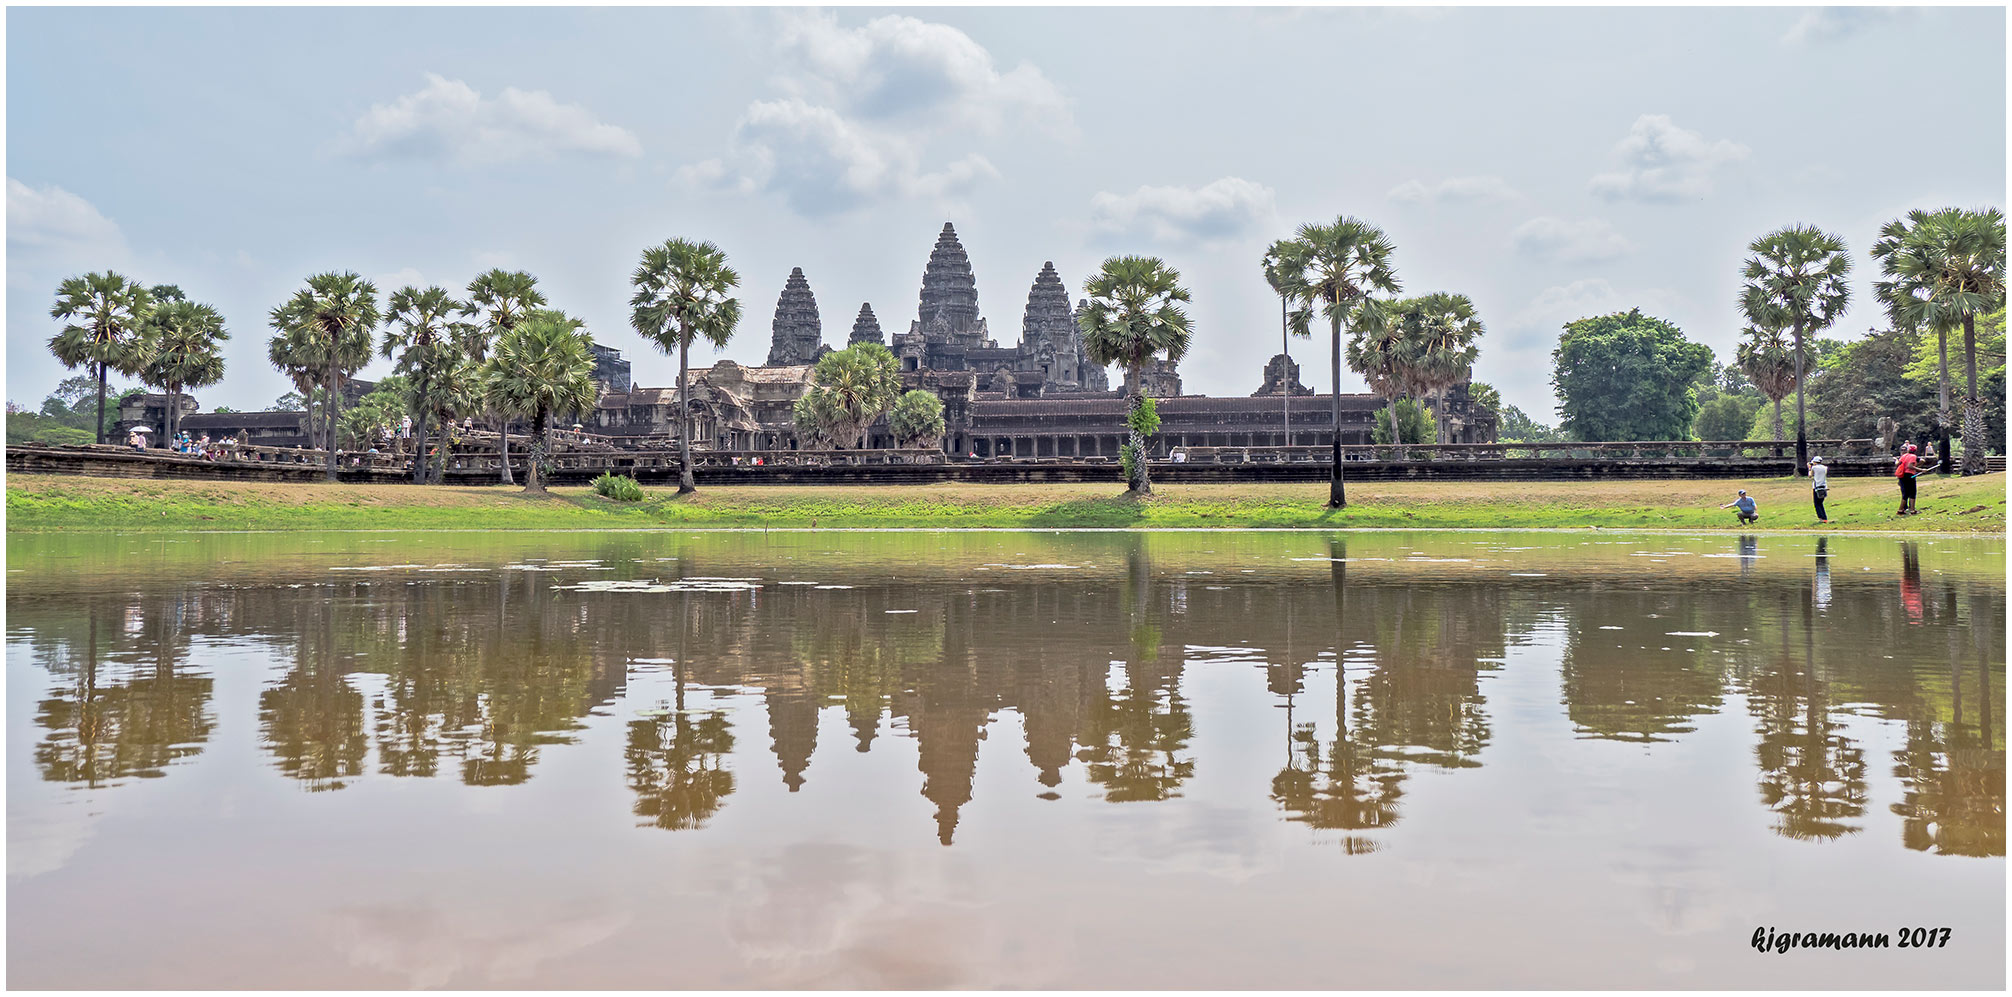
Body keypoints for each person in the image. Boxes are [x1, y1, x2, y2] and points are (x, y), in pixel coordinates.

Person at [1894, 443, 1936, 515]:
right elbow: (1910, 466)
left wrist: (1896, 460)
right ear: (1915, 451)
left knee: (1905, 493)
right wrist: (1921, 470)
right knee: (1912, 492)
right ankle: (1912, 510)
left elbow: (1898, 464)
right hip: (1909, 475)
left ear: (1908, 450)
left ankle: (1900, 510)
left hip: (1902, 475)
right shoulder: (1913, 456)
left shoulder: (1904, 456)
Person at [1808, 455, 1830, 523]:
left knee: (1817, 504)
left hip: (1816, 487)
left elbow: (1810, 475)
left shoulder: (1814, 468)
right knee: (1821, 503)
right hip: (1824, 486)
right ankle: (1824, 517)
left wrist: (1809, 468)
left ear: (1815, 462)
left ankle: (1821, 518)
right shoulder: (1825, 468)